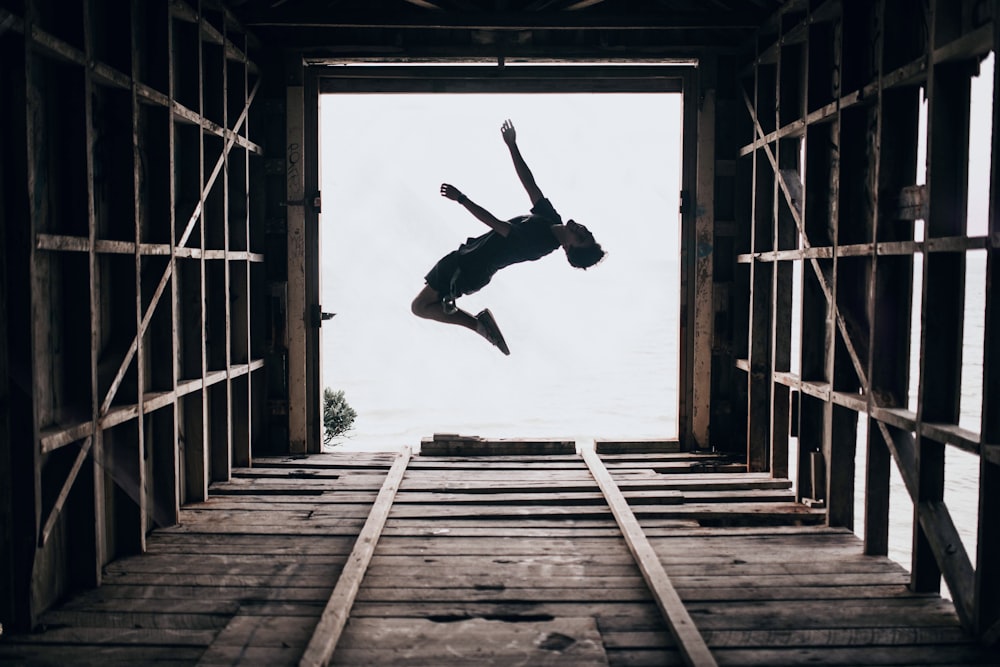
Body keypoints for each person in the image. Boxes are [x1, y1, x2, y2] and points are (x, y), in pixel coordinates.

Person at [411, 119, 605, 355]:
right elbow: (530, 184)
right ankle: (480, 325)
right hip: (467, 257)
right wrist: (512, 146)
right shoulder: (551, 219)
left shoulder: (540, 242)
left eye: (582, 238)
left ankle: (479, 326)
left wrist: (461, 198)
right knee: (421, 306)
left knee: (420, 307)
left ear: (569, 248)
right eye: (587, 232)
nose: (582, 230)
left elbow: (496, 225)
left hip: (468, 268)